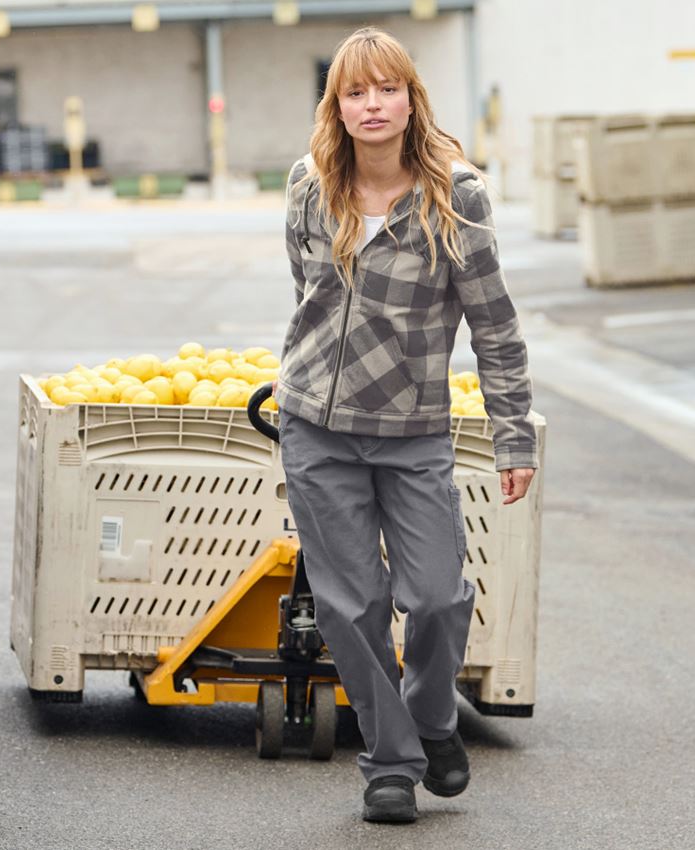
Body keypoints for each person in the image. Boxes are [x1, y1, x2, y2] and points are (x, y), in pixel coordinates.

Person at [271, 26, 537, 824]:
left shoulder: (457, 195)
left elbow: (495, 326)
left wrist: (512, 433)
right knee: (350, 608)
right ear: (338, 107)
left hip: (415, 429)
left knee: (435, 596)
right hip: (317, 429)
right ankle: (389, 764)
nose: (371, 104)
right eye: (355, 92)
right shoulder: (308, 186)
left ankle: (428, 719)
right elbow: (307, 297)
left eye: (386, 88)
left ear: (411, 97)